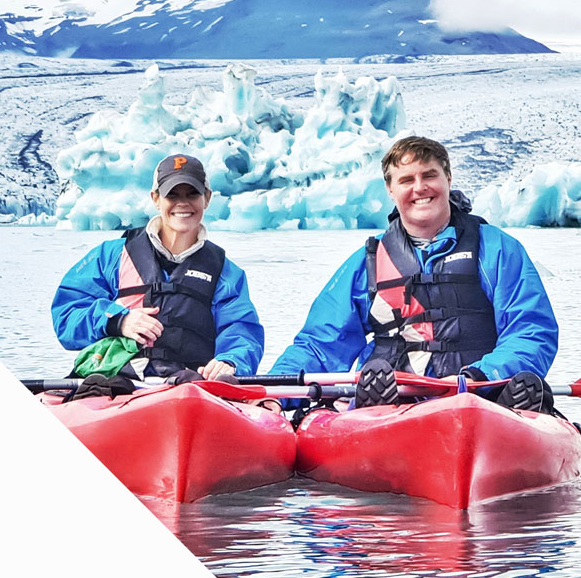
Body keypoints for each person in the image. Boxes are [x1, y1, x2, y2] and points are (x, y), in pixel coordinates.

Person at [270, 136, 558, 413]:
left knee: (524, 386)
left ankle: (513, 412)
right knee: (374, 379)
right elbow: (321, 343)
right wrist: (274, 395)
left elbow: (531, 331)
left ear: (448, 179)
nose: (420, 188)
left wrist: (479, 376)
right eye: (407, 180)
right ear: (390, 189)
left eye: (429, 176)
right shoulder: (369, 261)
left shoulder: (496, 249)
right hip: (392, 398)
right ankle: (370, 417)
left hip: (477, 397)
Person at [51, 153, 265, 400]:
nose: (182, 203)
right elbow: (67, 316)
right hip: (116, 381)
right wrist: (118, 320)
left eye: (192, 194)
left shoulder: (226, 273)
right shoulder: (110, 256)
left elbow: (241, 330)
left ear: (206, 198)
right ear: (155, 199)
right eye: (172, 195)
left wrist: (230, 361)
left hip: (189, 387)